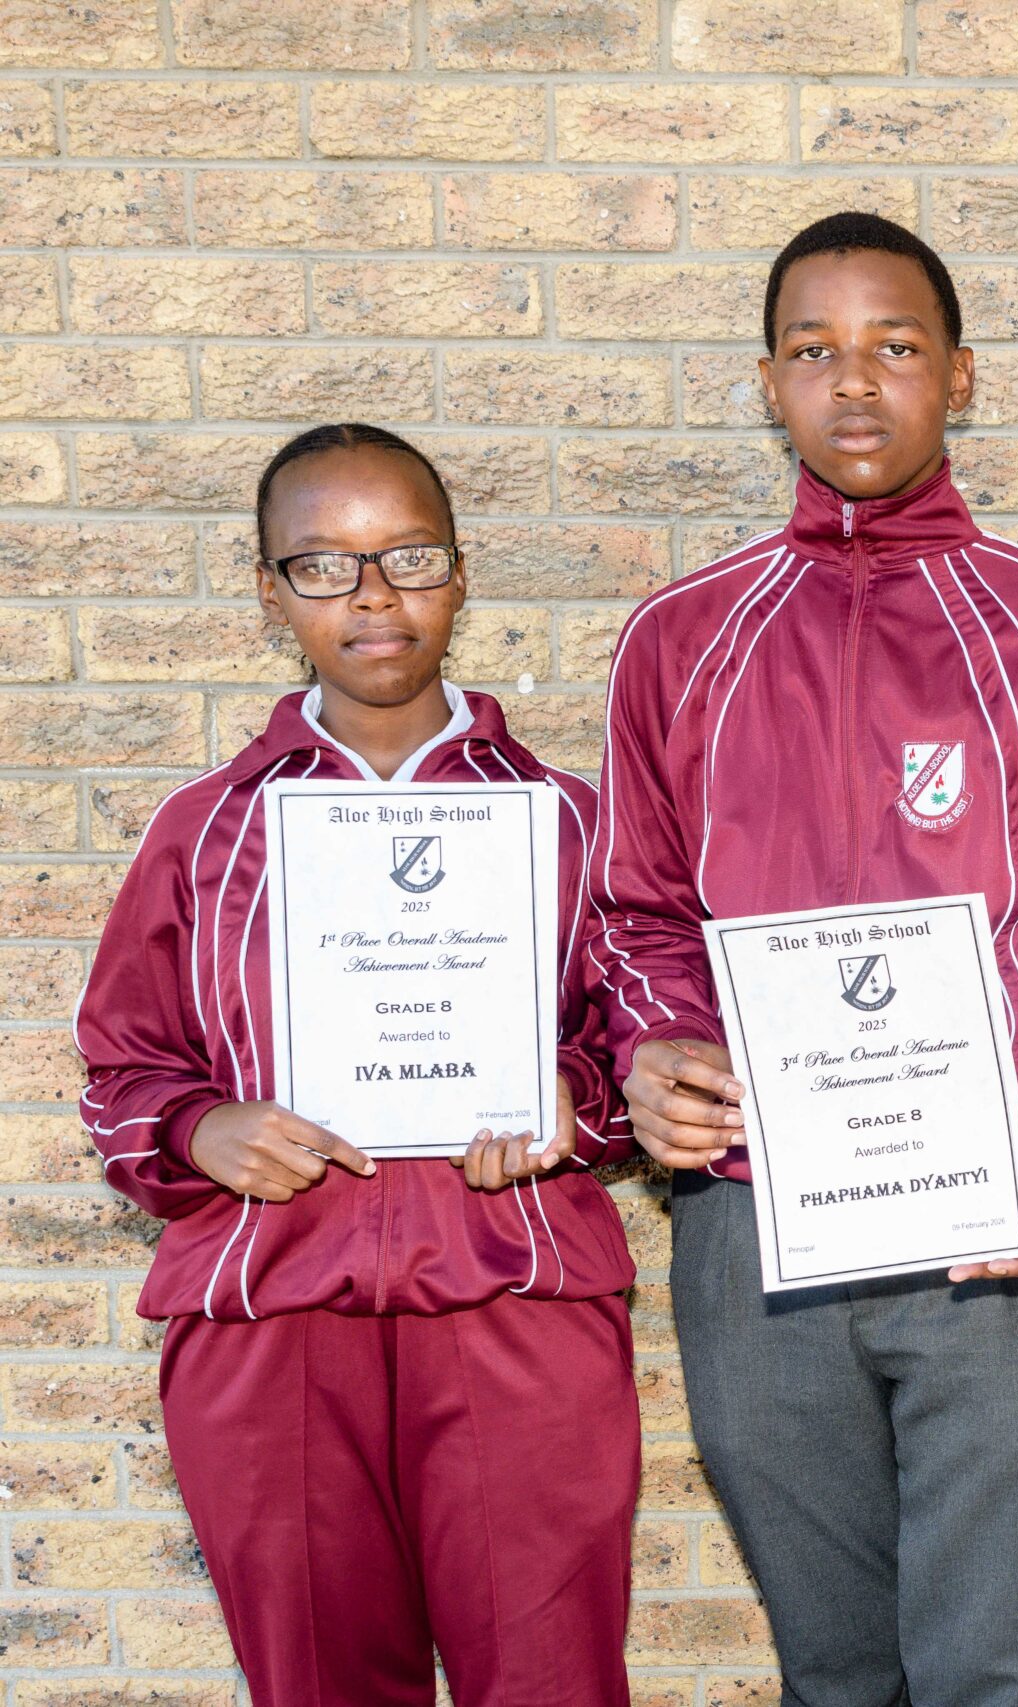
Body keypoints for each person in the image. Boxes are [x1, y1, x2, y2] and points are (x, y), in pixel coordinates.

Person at [593, 211, 1018, 1707]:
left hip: (999, 1233)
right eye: (815, 350)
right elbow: (636, 913)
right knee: (835, 1671)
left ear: (960, 376)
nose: (854, 382)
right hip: (755, 1224)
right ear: (769, 384)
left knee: (994, 1671)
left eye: (896, 346)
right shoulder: (680, 641)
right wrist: (656, 1053)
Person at [77, 424, 640, 1706]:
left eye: (409, 557)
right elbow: (123, 1068)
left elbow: (643, 1042)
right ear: (269, 593)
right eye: (324, 565)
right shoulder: (203, 833)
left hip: (514, 1296)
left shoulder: (568, 823)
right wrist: (197, 1130)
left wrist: (578, 1099)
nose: (373, 596)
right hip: (270, 1313)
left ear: (461, 573)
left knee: (550, 1680)